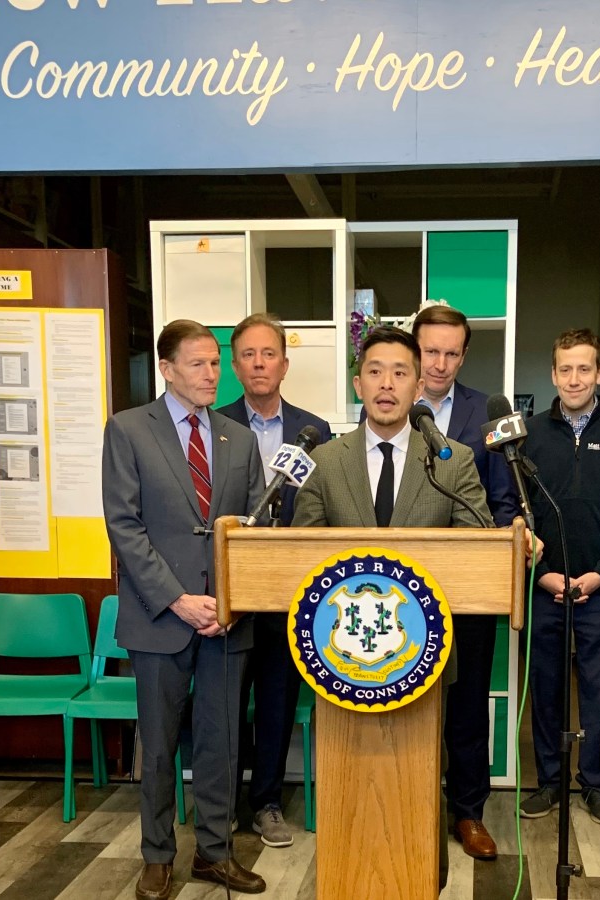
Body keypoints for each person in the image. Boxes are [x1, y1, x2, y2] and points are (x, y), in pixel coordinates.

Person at [293, 325, 492, 890]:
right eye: (376, 371)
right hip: (340, 661)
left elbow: (477, 549)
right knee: (352, 797)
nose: (387, 384)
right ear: (359, 383)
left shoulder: (450, 461)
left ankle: (418, 876)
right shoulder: (326, 461)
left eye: (400, 373)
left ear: (417, 387)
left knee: (414, 790)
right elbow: (302, 556)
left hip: (421, 659)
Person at [102, 320, 266, 900]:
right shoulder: (127, 430)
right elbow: (124, 526)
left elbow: (255, 529)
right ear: (166, 369)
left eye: (215, 364)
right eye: (197, 364)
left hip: (225, 620)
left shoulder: (238, 438)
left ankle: (215, 854)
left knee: (223, 744)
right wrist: (177, 599)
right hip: (159, 618)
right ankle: (157, 856)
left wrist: (233, 602)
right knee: (160, 742)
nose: (211, 374)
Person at [517, 329, 600, 827]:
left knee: (598, 689)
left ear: (599, 373)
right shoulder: (528, 433)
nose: (574, 378)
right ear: (553, 374)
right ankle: (550, 782)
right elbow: (516, 511)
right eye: (564, 369)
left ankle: (595, 784)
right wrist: (543, 574)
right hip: (544, 589)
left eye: (584, 369)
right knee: (547, 688)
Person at [215, 313, 332, 849]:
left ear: (285, 362)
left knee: (279, 697)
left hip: (291, 591)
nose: (259, 364)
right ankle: (222, 804)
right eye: (248, 355)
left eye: (269, 354)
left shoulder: (315, 431)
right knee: (228, 700)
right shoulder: (213, 425)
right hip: (234, 591)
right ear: (234, 364)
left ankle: (265, 803)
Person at [410, 303, 520, 860]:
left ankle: (468, 812)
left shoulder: (486, 412)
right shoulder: (387, 405)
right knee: (403, 703)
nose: (440, 364)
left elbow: (503, 499)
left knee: (469, 704)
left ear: (464, 354)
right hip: (403, 593)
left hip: (470, 590)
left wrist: (514, 531)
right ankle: (411, 805)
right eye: (431, 351)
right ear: (416, 348)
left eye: (452, 353)